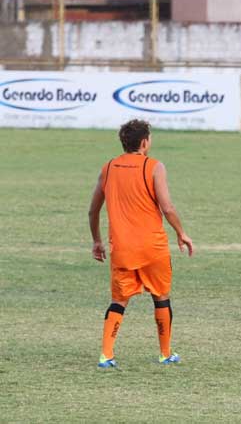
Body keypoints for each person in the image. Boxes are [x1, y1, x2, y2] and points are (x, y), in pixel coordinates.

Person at [88, 119, 193, 368]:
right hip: (152, 247)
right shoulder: (154, 167)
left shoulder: (109, 168)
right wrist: (181, 233)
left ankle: (106, 355)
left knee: (119, 300)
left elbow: (93, 211)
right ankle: (165, 353)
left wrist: (97, 241)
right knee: (161, 297)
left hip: (122, 248)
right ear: (145, 142)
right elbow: (167, 207)